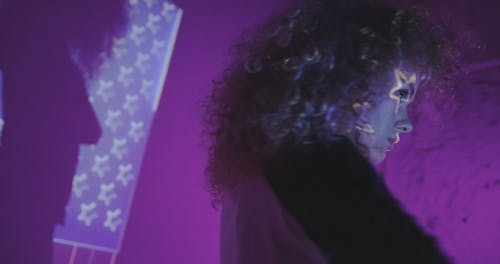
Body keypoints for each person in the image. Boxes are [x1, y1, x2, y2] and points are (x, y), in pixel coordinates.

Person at [202, 0, 463, 263]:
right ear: (356, 86)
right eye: (401, 95)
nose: (406, 122)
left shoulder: (255, 172)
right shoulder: (312, 160)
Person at [0, 0, 128, 263]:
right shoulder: (51, 62)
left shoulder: (32, 54)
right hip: (32, 195)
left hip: (24, 189)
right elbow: (91, 129)